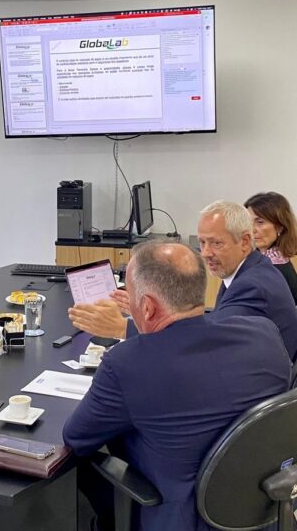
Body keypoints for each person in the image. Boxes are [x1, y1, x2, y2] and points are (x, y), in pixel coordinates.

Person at [63, 241, 290, 531]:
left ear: (146, 307)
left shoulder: (126, 364)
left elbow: (76, 438)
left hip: (182, 518)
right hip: (262, 508)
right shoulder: (263, 334)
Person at [69, 201, 297, 361]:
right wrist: (150, 312)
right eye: (203, 243)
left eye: (216, 244)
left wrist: (122, 327)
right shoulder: (249, 270)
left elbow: (205, 341)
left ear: (245, 242)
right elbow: (215, 322)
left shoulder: (253, 286)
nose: (206, 254)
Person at [244, 191, 297, 303]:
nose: (252, 229)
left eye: (260, 222)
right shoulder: (251, 258)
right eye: (248, 222)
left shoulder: (281, 266)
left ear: (279, 227)